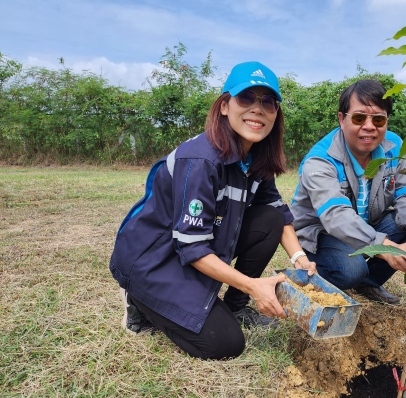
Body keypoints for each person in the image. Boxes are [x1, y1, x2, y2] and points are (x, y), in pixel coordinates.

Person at [110, 61, 315, 360]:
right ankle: (140, 300)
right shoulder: (201, 161)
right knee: (225, 344)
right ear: (224, 106)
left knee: (269, 219)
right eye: (246, 98)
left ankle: (235, 307)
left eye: (268, 102)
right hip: (156, 259)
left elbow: (277, 212)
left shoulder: (255, 158)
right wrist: (254, 286)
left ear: (276, 114)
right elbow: (192, 247)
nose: (257, 109)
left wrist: (299, 259)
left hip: (192, 246)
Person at [291, 79, 406, 305]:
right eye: (359, 118)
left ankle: (368, 282)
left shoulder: (394, 147)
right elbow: (336, 216)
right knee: (351, 270)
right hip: (321, 233)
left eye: (378, 119)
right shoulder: (320, 160)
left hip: (367, 224)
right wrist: (386, 248)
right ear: (341, 119)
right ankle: (314, 275)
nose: (369, 126)